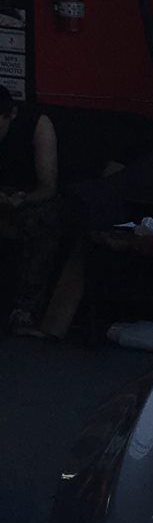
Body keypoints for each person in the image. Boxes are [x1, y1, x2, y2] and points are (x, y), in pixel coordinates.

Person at [0, 84, 62, 335]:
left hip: (27, 197)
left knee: (47, 218)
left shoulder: (37, 125)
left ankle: (24, 311)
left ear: (10, 115)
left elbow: (48, 186)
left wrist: (21, 199)